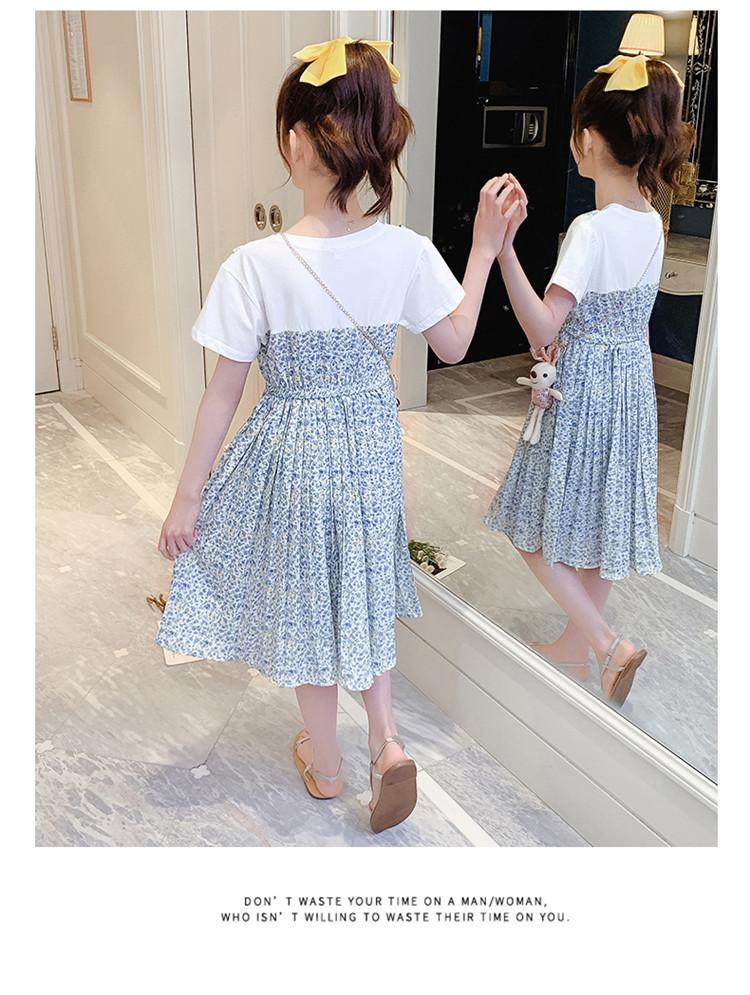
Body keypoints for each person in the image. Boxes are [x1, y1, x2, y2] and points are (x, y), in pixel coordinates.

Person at [155, 36, 515, 833]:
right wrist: (484, 249)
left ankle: (325, 765)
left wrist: (187, 499)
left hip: (293, 459)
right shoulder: (405, 251)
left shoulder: (255, 265)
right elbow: (455, 340)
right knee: (362, 590)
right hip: (371, 456)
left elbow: (223, 393)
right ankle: (386, 742)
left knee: (307, 607)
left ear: (295, 141)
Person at [484, 54, 694, 706]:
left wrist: (503, 249)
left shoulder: (591, 229)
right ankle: (579, 648)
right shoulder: (652, 222)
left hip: (583, 391)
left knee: (530, 520)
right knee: (600, 519)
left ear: (591, 139)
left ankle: (604, 641)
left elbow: (543, 324)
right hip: (630, 387)